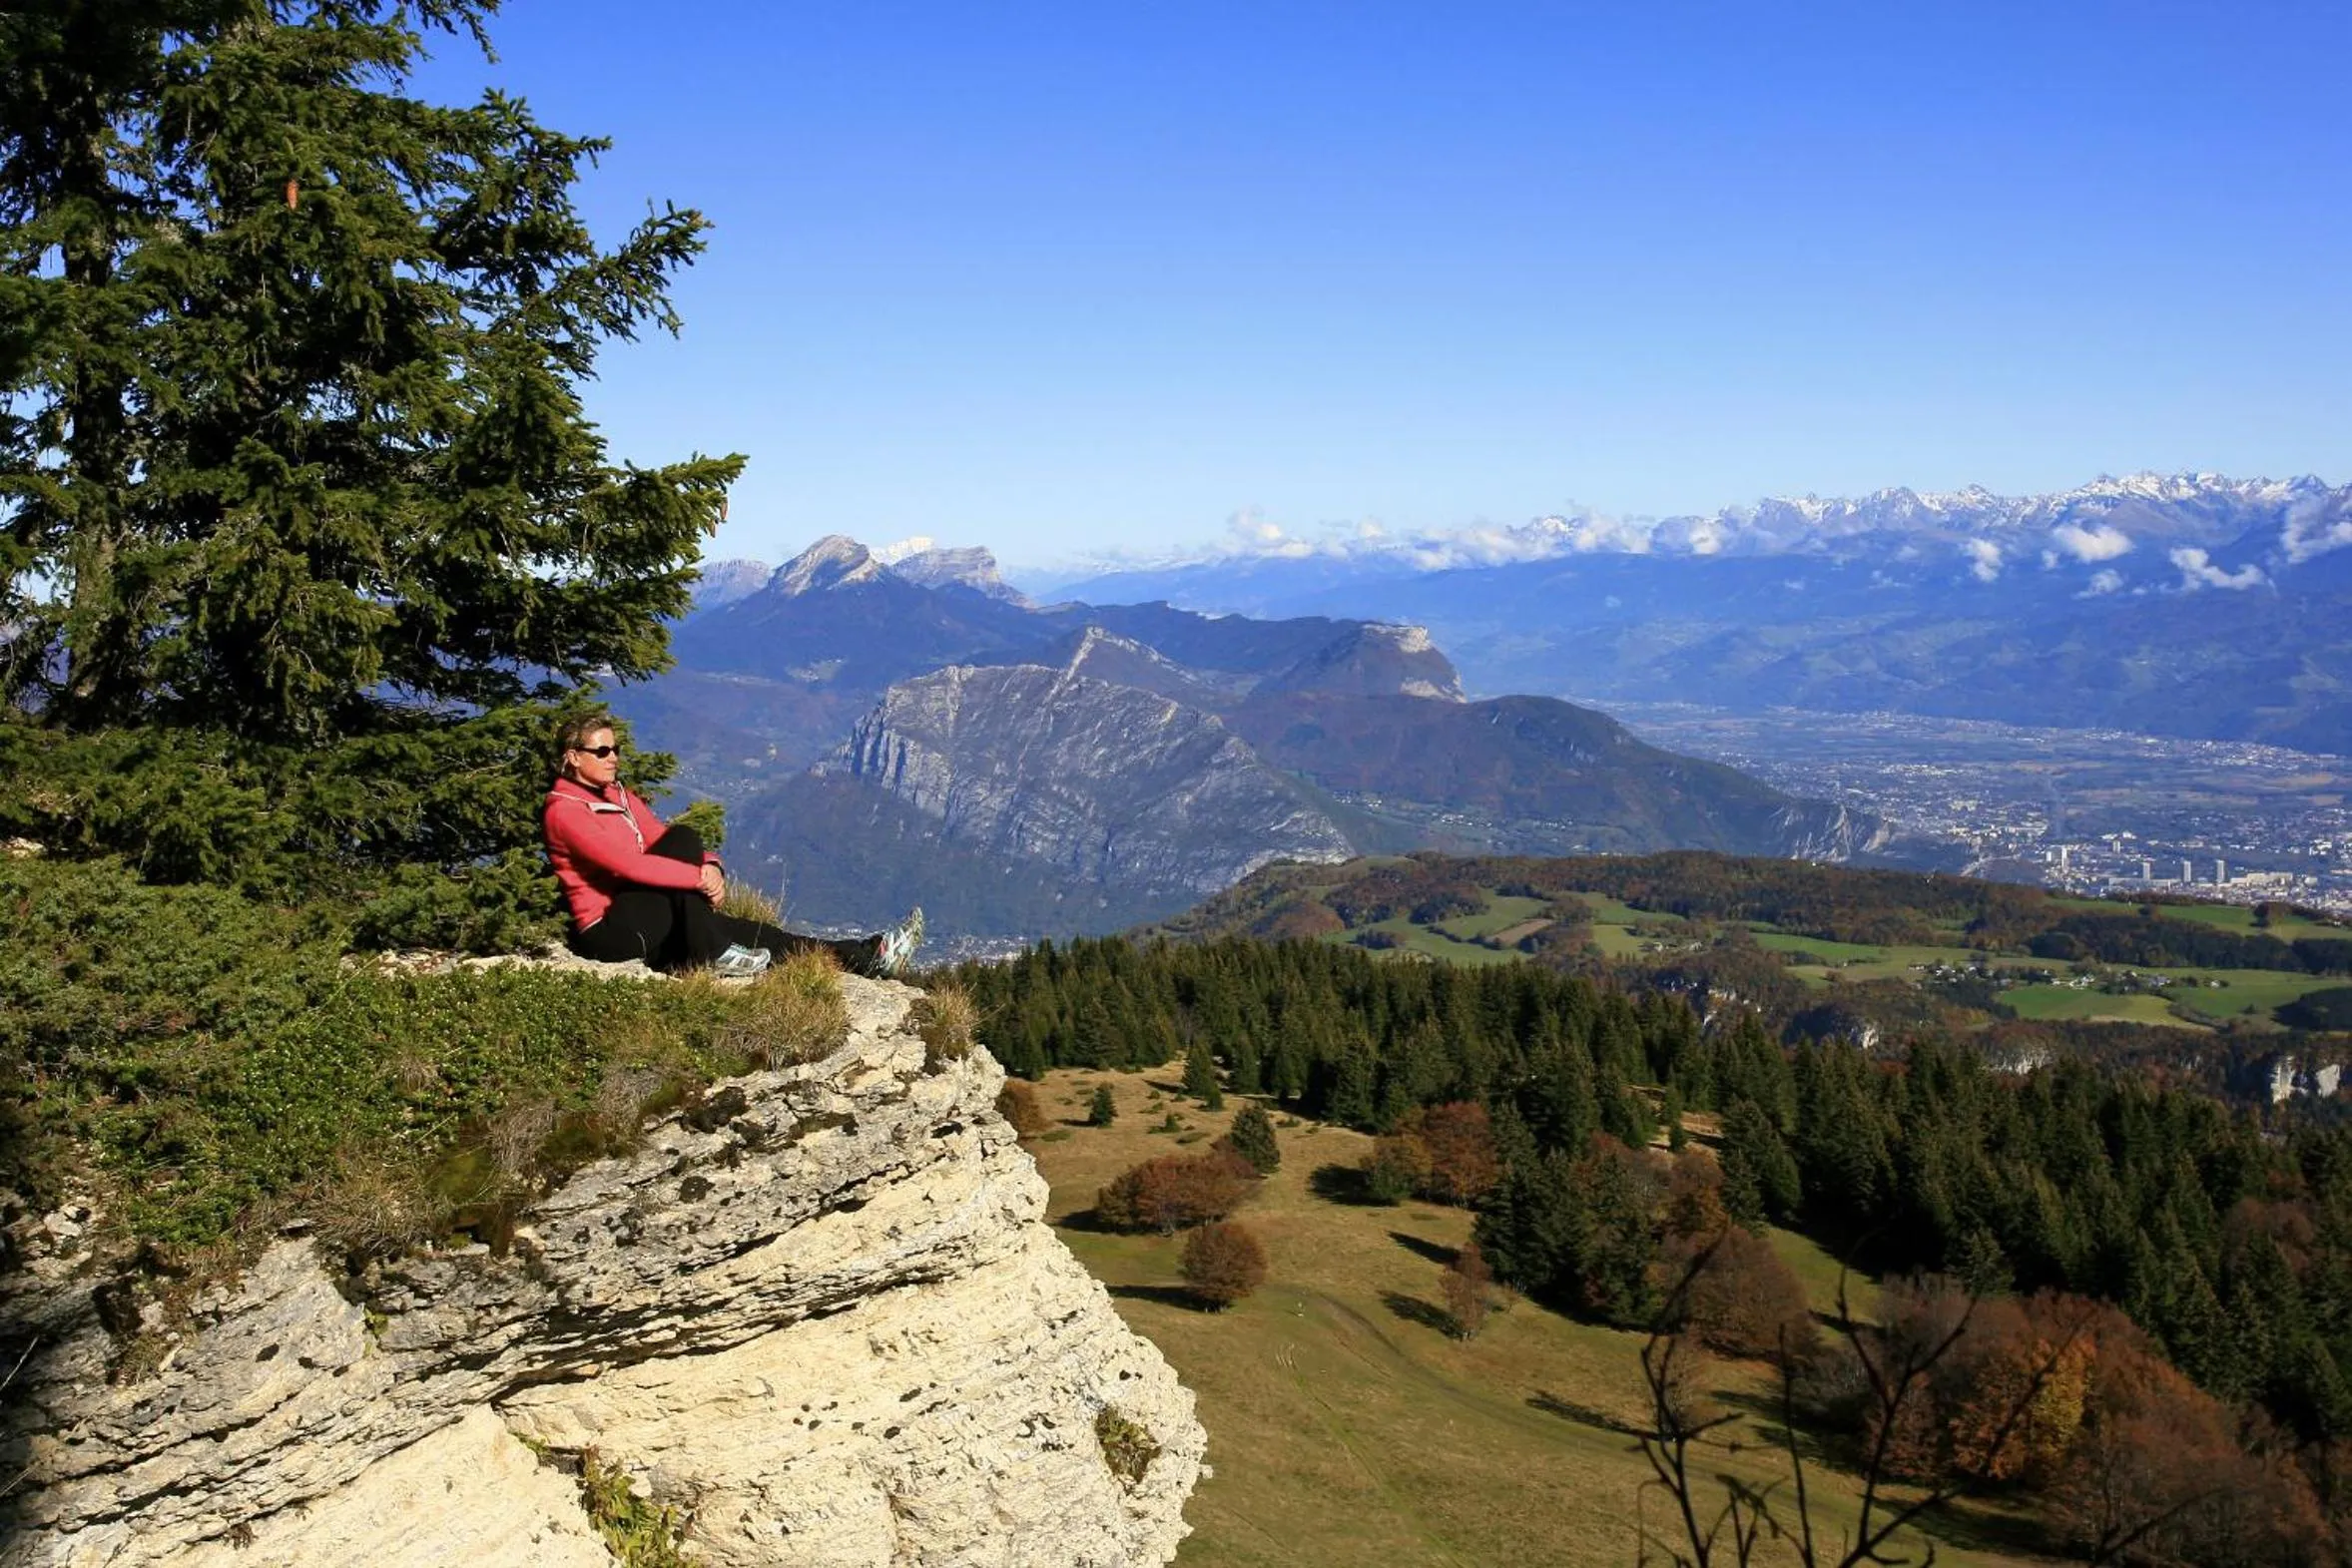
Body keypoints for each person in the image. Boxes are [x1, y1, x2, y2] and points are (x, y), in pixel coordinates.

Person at [544, 713, 922, 978]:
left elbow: (659, 838)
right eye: (602, 752)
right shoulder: (566, 812)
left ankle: (867, 956)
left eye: (615, 749)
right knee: (685, 839)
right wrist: (696, 878)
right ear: (574, 758)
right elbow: (630, 866)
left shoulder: (617, 794)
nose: (613, 758)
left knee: (760, 935)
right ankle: (711, 952)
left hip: (649, 913)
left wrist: (711, 865)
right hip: (611, 932)